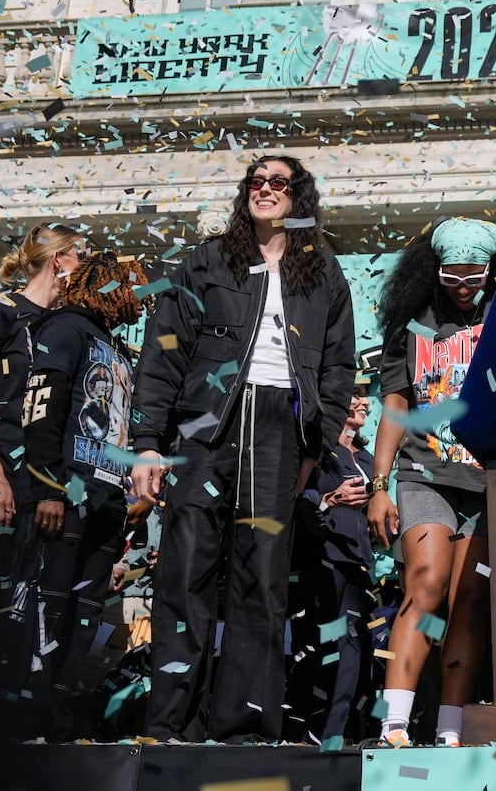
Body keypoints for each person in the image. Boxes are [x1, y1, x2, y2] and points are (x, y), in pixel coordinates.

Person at [131, 154, 356, 744]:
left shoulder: (324, 270)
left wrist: (318, 444)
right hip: (207, 422)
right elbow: (165, 351)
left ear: (298, 196)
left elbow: (337, 367)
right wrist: (148, 444)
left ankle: (244, 729)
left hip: (282, 423)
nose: (265, 190)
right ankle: (169, 723)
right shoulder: (207, 259)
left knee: (262, 576)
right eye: (256, 182)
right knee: (185, 570)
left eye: (278, 183)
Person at [366, 218, 496, 747]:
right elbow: (396, 405)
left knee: (469, 602)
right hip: (426, 474)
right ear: (432, 273)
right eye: (452, 278)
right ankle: (393, 724)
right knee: (426, 587)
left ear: (494, 271)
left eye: (474, 277)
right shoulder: (411, 327)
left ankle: (450, 728)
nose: (464, 288)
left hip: (490, 481)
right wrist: (379, 485)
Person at [0, 223, 87, 718]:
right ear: (59, 260)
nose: (85, 267)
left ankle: (34, 712)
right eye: (80, 257)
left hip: (52, 484)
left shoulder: (71, 323)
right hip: (5, 481)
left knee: (42, 606)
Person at [24, 253, 145, 741]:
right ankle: (29, 714)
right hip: (67, 491)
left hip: (108, 499)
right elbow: (41, 412)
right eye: (134, 287)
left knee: (87, 610)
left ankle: (65, 718)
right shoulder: (65, 329)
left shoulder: (116, 347)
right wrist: (48, 487)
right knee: (48, 604)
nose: (141, 299)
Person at [298, 387, 377, 745]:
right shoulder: (320, 452)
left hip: (360, 563)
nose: (363, 403)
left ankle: (338, 732)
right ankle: (313, 727)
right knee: (329, 645)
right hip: (324, 558)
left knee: (358, 645)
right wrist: (330, 501)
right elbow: (302, 497)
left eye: (365, 399)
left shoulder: (372, 459)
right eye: (354, 396)